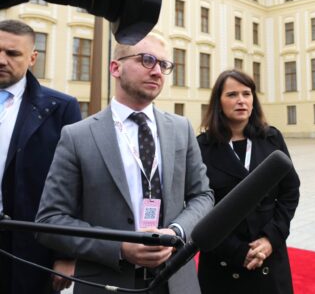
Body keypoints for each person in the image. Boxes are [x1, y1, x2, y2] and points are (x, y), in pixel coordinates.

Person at [35, 35, 214, 294]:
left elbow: (203, 196)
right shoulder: (77, 136)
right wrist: (120, 247)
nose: (157, 71)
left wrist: (176, 232)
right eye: (147, 60)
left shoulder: (181, 128)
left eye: (164, 65)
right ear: (115, 68)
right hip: (108, 281)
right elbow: (50, 221)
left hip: (175, 281)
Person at [196, 69, 300, 294]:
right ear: (218, 102)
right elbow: (197, 204)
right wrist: (237, 251)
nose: (241, 100)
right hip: (222, 262)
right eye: (232, 95)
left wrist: (271, 238)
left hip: (269, 259)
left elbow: (290, 191)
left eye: (247, 93)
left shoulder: (271, 139)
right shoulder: (202, 147)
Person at [0, 19, 81, 294]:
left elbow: (74, 186)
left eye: (12, 54)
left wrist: (66, 253)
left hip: (28, 249)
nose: (1, 60)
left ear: (33, 58)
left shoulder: (61, 108)